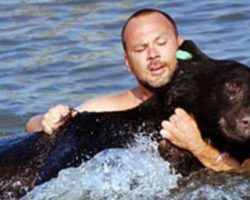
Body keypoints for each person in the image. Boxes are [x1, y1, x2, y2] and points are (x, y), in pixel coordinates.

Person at [26, 9, 240, 171]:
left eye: (161, 42)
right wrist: (48, 119)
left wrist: (198, 147)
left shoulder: (214, 102)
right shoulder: (106, 108)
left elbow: (244, 173)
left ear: (179, 46)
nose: (153, 54)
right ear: (127, 62)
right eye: (140, 49)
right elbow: (31, 129)